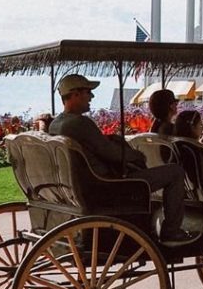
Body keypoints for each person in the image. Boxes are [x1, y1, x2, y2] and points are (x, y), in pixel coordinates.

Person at [48, 74, 194, 243]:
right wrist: (137, 155)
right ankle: (171, 230)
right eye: (88, 92)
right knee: (175, 172)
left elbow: (97, 146)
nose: (92, 97)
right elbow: (111, 153)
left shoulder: (56, 124)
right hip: (107, 186)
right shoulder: (79, 123)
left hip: (81, 185)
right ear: (75, 94)